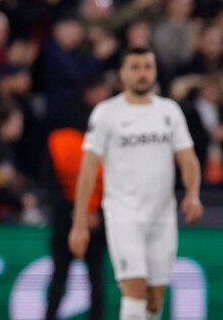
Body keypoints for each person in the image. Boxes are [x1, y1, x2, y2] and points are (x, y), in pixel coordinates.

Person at [69, 47, 203, 320]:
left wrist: (193, 194)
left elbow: (187, 159)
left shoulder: (169, 111)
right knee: (134, 292)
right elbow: (88, 169)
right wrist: (80, 222)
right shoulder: (106, 113)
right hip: (123, 214)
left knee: (154, 301)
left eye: (147, 67)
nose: (142, 74)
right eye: (135, 67)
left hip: (162, 216)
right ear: (122, 73)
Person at [45, 75, 112, 320]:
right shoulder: (62, 139)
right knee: (75, 278)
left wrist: (88, 214)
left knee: (87, 279)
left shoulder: (109, 135)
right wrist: (86, 214)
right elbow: (51, 184)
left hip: (84, 219)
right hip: (77, 221)